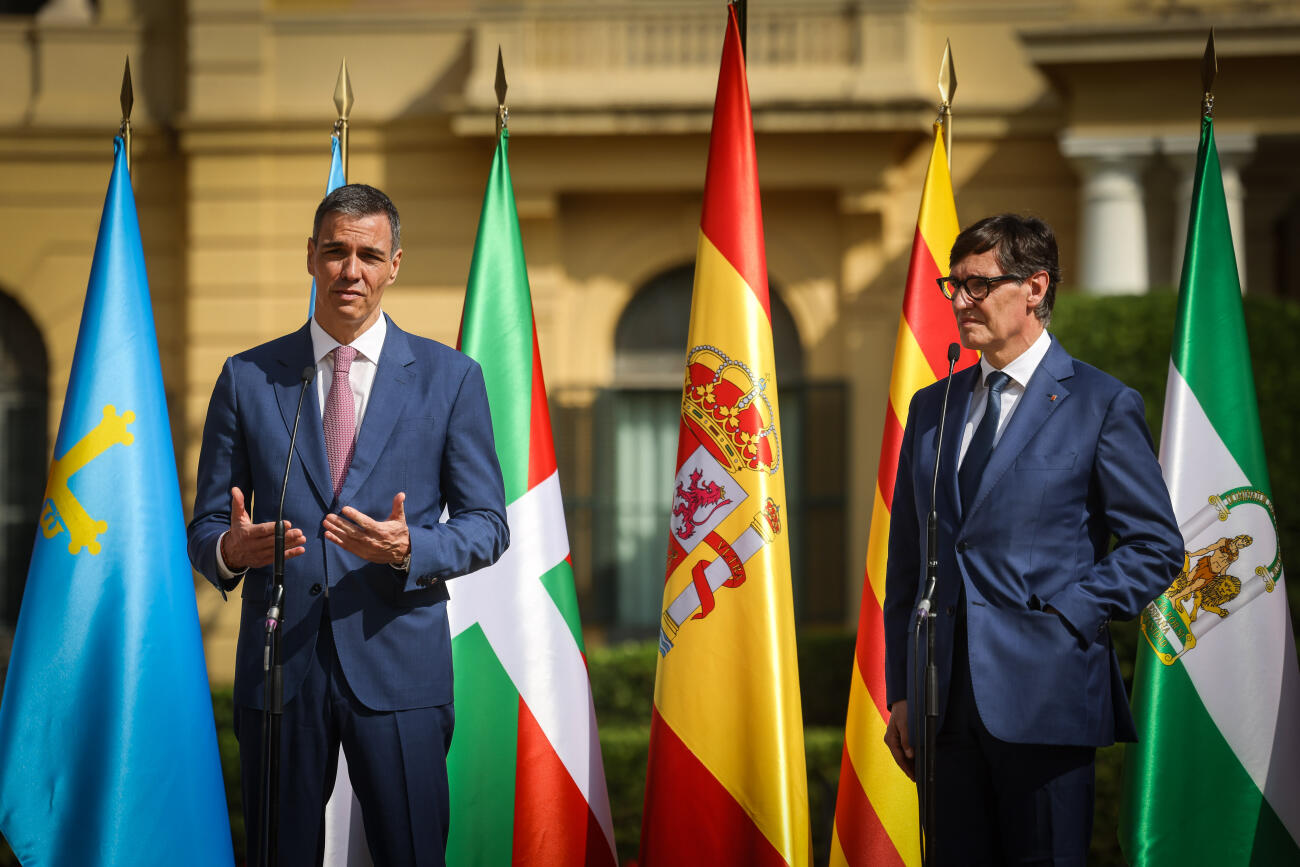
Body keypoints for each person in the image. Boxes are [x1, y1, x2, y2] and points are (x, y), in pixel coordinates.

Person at [187, 183, 509, 866]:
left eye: (368, 253)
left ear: (395, 264)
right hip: (281, 672)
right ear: (311, 258)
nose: (350, 269)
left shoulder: (450, 378)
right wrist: (231, 549)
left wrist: (410, 546)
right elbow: (208, 523)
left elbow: (487, 523)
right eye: (335, 251)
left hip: (399, 667)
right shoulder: (248, 378)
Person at [881, 213, 1183, 865]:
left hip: (1047, 696)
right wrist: (901, 689)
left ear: (1035, 287)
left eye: (978, 285)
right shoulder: (932, 408)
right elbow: (908, 563)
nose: (960, 301)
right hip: (941, 706)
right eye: (952, 284)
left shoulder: (1101, 403)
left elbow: (1155, 546)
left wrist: (1067, 611)